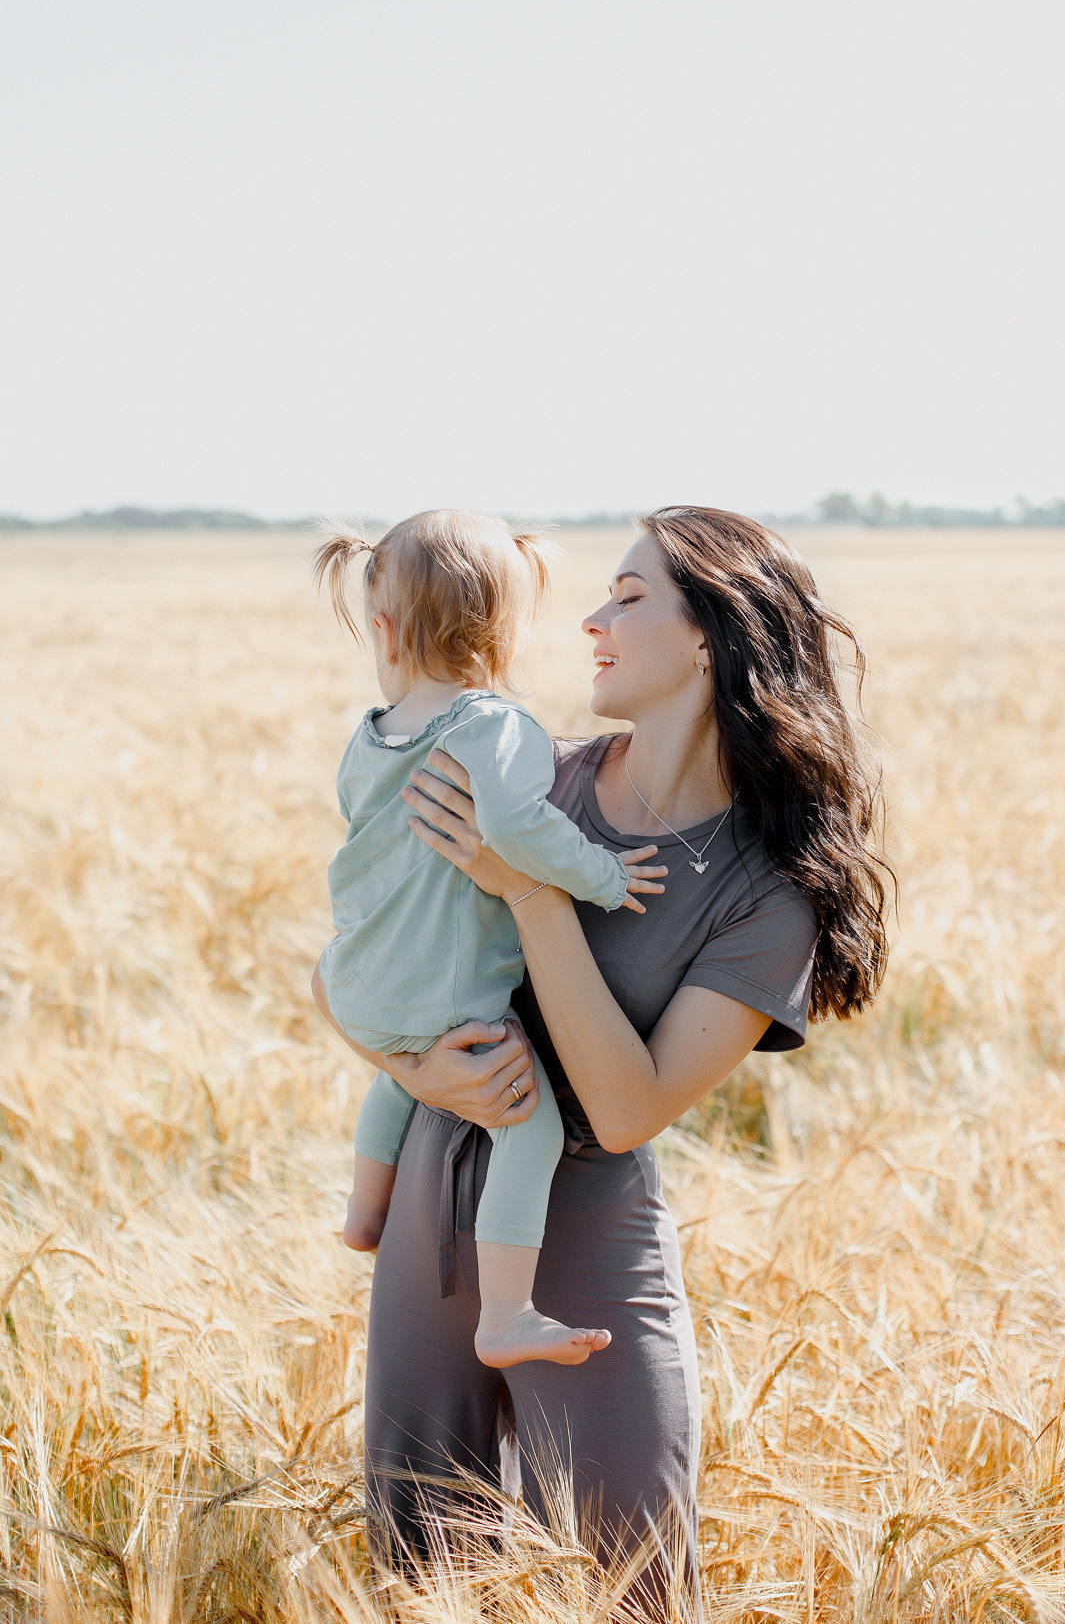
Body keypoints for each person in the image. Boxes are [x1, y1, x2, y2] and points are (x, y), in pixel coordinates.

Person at [311, 505, 891, 1595]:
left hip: (581, 1252)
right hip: (429, 1221)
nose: (590, 618)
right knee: (416, 1576)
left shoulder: (765, 893)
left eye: (628, 597)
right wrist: (416, 1070)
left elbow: (626, 1107)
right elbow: (350, 959)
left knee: (627, 1583)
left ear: (708, 638)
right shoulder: (531, 777)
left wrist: (530, 891)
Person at [310, 508, 664, 1369]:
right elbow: (516, 827)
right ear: (505, 629)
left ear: (385, 632)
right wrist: (604, 876)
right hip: (450, 991)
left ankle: (365, 1208)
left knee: (401, 1076)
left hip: (363, 980)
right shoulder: (494, 727)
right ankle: (506, 1313)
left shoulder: (368, 738)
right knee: (531, 1130)